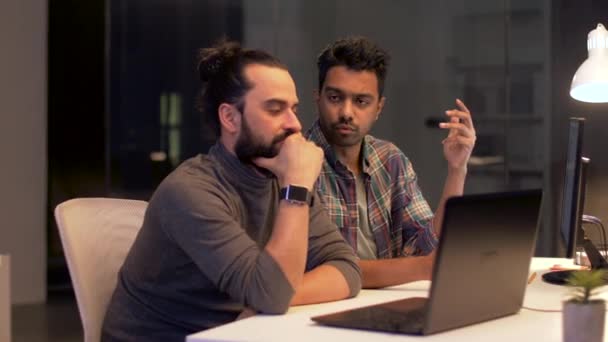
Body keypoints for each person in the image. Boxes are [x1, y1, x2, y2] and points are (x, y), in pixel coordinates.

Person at [101, 40, 361, 342]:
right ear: (230, 118)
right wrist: (298, 188)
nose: (294, 124)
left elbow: (347, 269)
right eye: (275, 109)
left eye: (293, 109)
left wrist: (274, 294)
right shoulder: (190, 190)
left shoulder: (281, 178)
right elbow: (271, 295)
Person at [306, 36, 476, 288]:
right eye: (335, 98)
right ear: (317, 97)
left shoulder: (389, 159)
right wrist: (421, 268)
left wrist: (457, 169)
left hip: (385, 302)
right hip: (317, 309)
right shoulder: (297, 164)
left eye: (361, 101)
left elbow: (426, 246)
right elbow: (318, 268)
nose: (346, 112)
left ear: (379, 108)